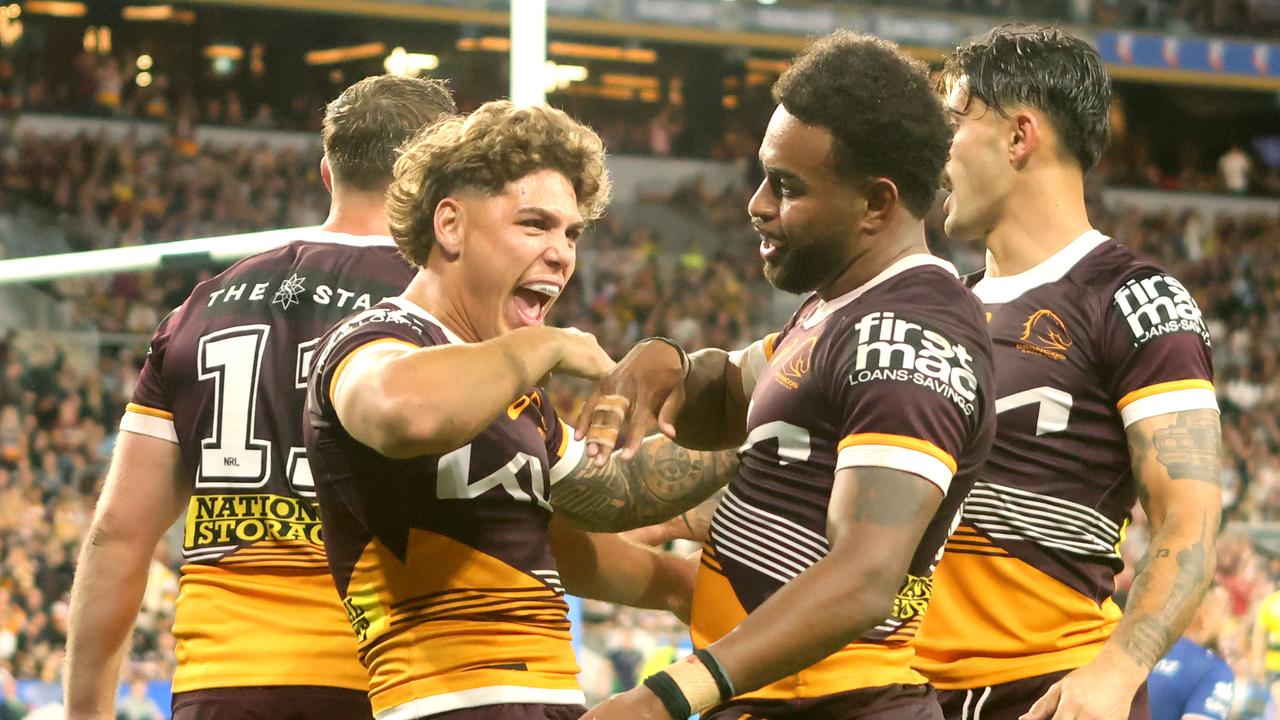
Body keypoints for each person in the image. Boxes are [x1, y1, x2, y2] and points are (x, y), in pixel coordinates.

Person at [576, 31, 996, 719]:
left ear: (878, 204)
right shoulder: (842, 310)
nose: (758, 204)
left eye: (787, 187)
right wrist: (668, 363)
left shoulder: (907, 338)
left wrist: (666, 700)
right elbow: (735, 391)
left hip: (837, 703)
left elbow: (864, 577)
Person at [304, 100, 739, 720]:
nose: (563, 254)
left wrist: (758, 432)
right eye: (535, 225)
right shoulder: (372, 340)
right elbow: (407, 413)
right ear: (450, 225)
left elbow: (615, 490)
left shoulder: (509, 389)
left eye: (572, 233)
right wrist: (545, 343)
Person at [64, 75, 457, 720]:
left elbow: (117, 534)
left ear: (327, 173)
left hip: (225, 682)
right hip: (391, 678)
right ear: (442, 184)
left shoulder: (199, 307)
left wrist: (85, 715)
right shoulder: (444, 308)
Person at [908, 24, 1223, 720]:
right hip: (909, 696)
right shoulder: (934, 310)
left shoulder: (1135, 300)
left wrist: (1115, 674)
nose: (937, 152)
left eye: (955, 124)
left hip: (1050, 694)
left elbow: (1188, 522)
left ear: (1020, 136)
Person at [1148, 586, 1234, 720]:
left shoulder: (1149, 649)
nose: (1224, 623)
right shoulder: (1215, 670)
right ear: (1204, 617)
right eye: (1222, 614)